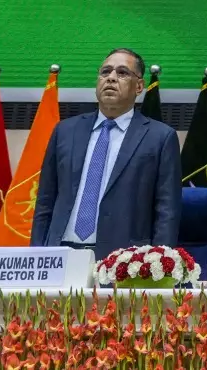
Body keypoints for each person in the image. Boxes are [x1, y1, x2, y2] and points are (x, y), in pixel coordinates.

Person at [31, 48, 181, 257]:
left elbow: (167, 211)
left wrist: (159, 262)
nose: (111, 78)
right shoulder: (65, 131)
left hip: (124, 259)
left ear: (139, 86)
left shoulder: (160, 137)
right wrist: (37, 253)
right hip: (60, 251)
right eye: (105, 72)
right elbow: (45, 201)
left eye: (122, 73)